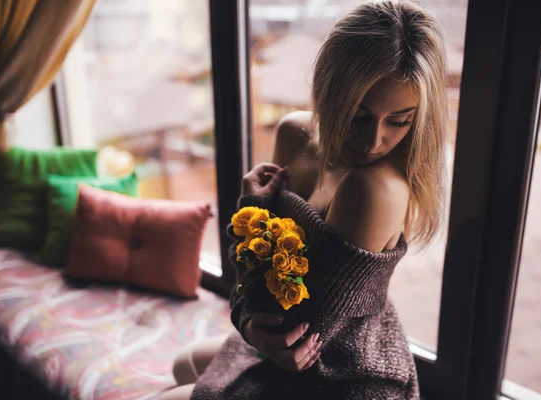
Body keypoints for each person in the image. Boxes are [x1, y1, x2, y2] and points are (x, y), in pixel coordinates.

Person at [161, 0, 447, 398]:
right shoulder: (293, 133)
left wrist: (254, 209)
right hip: (285, 349)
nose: (373, 141)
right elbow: (259, 287)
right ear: (330, 93)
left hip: (341, 373)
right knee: (181, 365)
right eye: (358, 114)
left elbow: (296, 330)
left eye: (399, 121)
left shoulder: (373, 189)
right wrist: (247, 323)